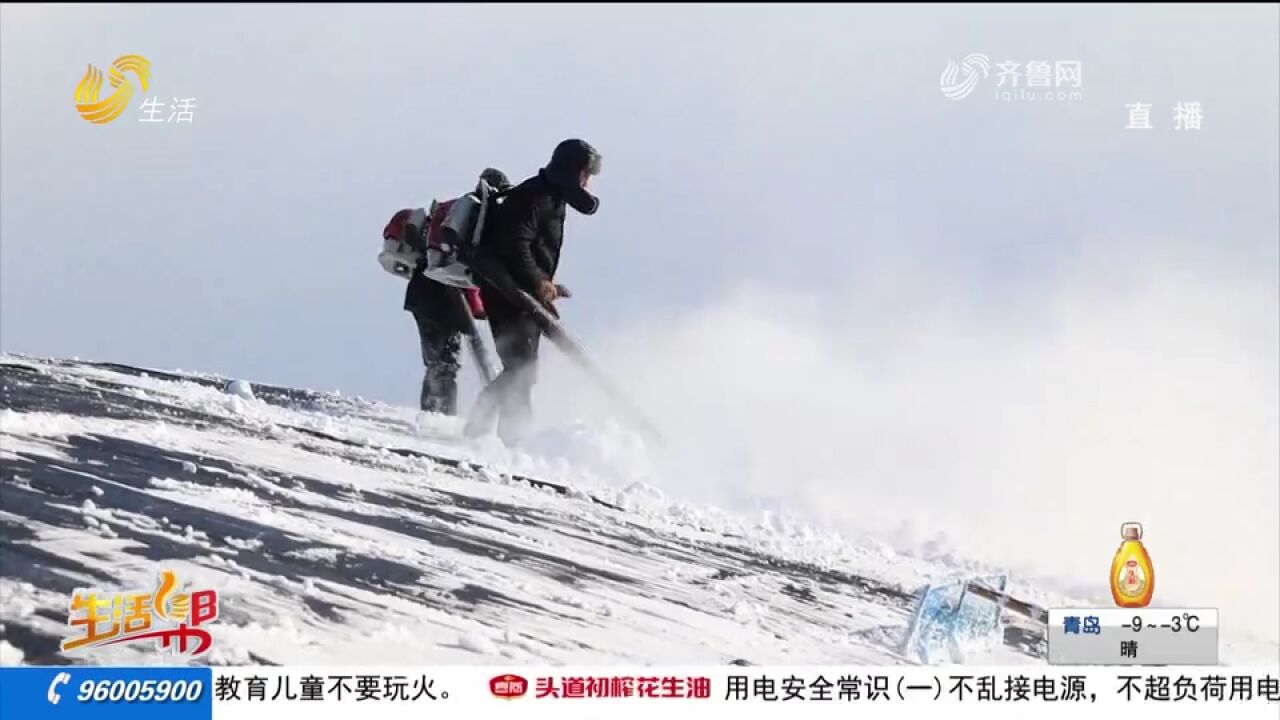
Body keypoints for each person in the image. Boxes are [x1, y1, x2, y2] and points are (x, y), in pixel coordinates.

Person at [465, 139, 602, 445]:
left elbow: (530, 248)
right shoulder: (536, 197)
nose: (587, 181)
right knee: (521, 368)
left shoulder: (550, 196)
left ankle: (507, 435)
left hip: (515, 293)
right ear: (571, 170)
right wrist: (539, 282)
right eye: (584, 173)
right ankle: (507, 434)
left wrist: (544, 287)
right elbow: (514, 244)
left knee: (522, 368)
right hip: (505, 293)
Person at [390, 168, 513, 415]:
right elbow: (466, 269)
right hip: (437, 297)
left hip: (432, 296)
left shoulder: (458, 212)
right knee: (444, 361)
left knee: (442, 360)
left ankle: (437, 412)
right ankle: (438, 415)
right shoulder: (470, 215)